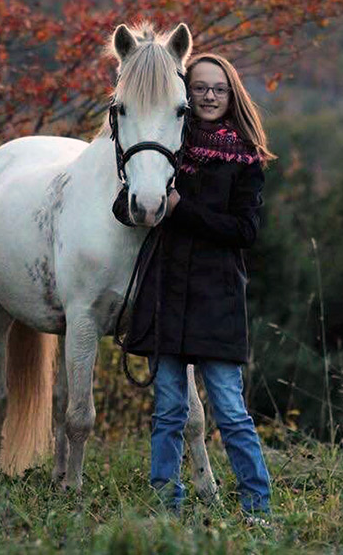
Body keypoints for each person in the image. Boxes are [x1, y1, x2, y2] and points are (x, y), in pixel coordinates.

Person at [112, 52, 277, 522]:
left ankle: (256, 507)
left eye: (218, 88)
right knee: (168, 411)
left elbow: (245, 231)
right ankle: (165, 504)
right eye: (200, 87)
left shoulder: (247, 159)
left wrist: (181, 207)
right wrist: (136, 200)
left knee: (230, 410)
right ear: (186, 94)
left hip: (216, 296)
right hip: (165, 293)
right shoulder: (168, 147)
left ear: (231, 95)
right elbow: (128, 207)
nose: (208, 95)